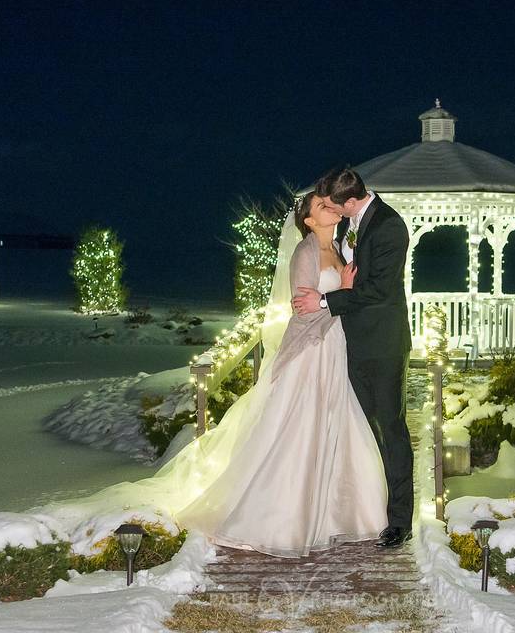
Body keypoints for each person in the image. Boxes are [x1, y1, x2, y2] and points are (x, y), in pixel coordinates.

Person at [160, 190, 389, 557]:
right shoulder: (305, 253)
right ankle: (281, 517)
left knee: (336, 424)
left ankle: (337, 514)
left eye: (331, 204)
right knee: (301, 430)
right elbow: (303, 310)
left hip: (335, 348)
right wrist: (343, 292)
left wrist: (347, 295)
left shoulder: (344, 249)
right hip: (312, 351)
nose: (331, 208)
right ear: (309, 221)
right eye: (321, 206)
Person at [292, 167, 414, 549]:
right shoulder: (346, 223)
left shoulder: (390, 226)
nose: (328, 210)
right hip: (345, 344)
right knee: (356, 431)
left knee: (390, 428)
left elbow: (378, 288)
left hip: (382, 343)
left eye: (331, 205)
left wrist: (326, 300)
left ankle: (399, 520)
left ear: (350, 201)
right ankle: (360, 508)